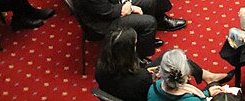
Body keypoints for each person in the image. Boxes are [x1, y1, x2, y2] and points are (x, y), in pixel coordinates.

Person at [95, 28, 228, 101]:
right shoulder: (144, 80)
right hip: (137, 92)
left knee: (170, 57)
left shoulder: (101, 67)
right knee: (175, 62)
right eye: (135, 45)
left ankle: (206, 75)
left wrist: (144, 71)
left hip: (125, 86)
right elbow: (163, 90)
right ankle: (204, 79)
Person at [148, 49, 225, 100]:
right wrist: (207, 95)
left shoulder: (153, 88)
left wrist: (207, 93)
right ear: (188, 76)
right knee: (215, 86)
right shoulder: (192, 100)